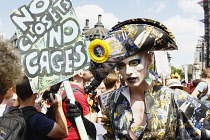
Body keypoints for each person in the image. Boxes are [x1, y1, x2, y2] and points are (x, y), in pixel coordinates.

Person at [86, 18, 210, 139]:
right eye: (121, 66)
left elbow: (199, 133)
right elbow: (106, 135)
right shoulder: (109, 100)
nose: (128, 71)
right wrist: (82, 122)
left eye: (134, 63)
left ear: (149, 60)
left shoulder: (176, 98)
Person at [16, 75, 68, 140]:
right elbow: (63, 133)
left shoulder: (9, 112)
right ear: (35, 93)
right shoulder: (38, 119)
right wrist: (58, 107)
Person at [61, 70, 96, 140]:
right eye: (89, 69)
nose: (92, 70)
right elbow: (89, 123)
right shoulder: (77, 95)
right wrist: (95, 110)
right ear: (80, 73)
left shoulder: (69, 90)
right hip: (76, 137)